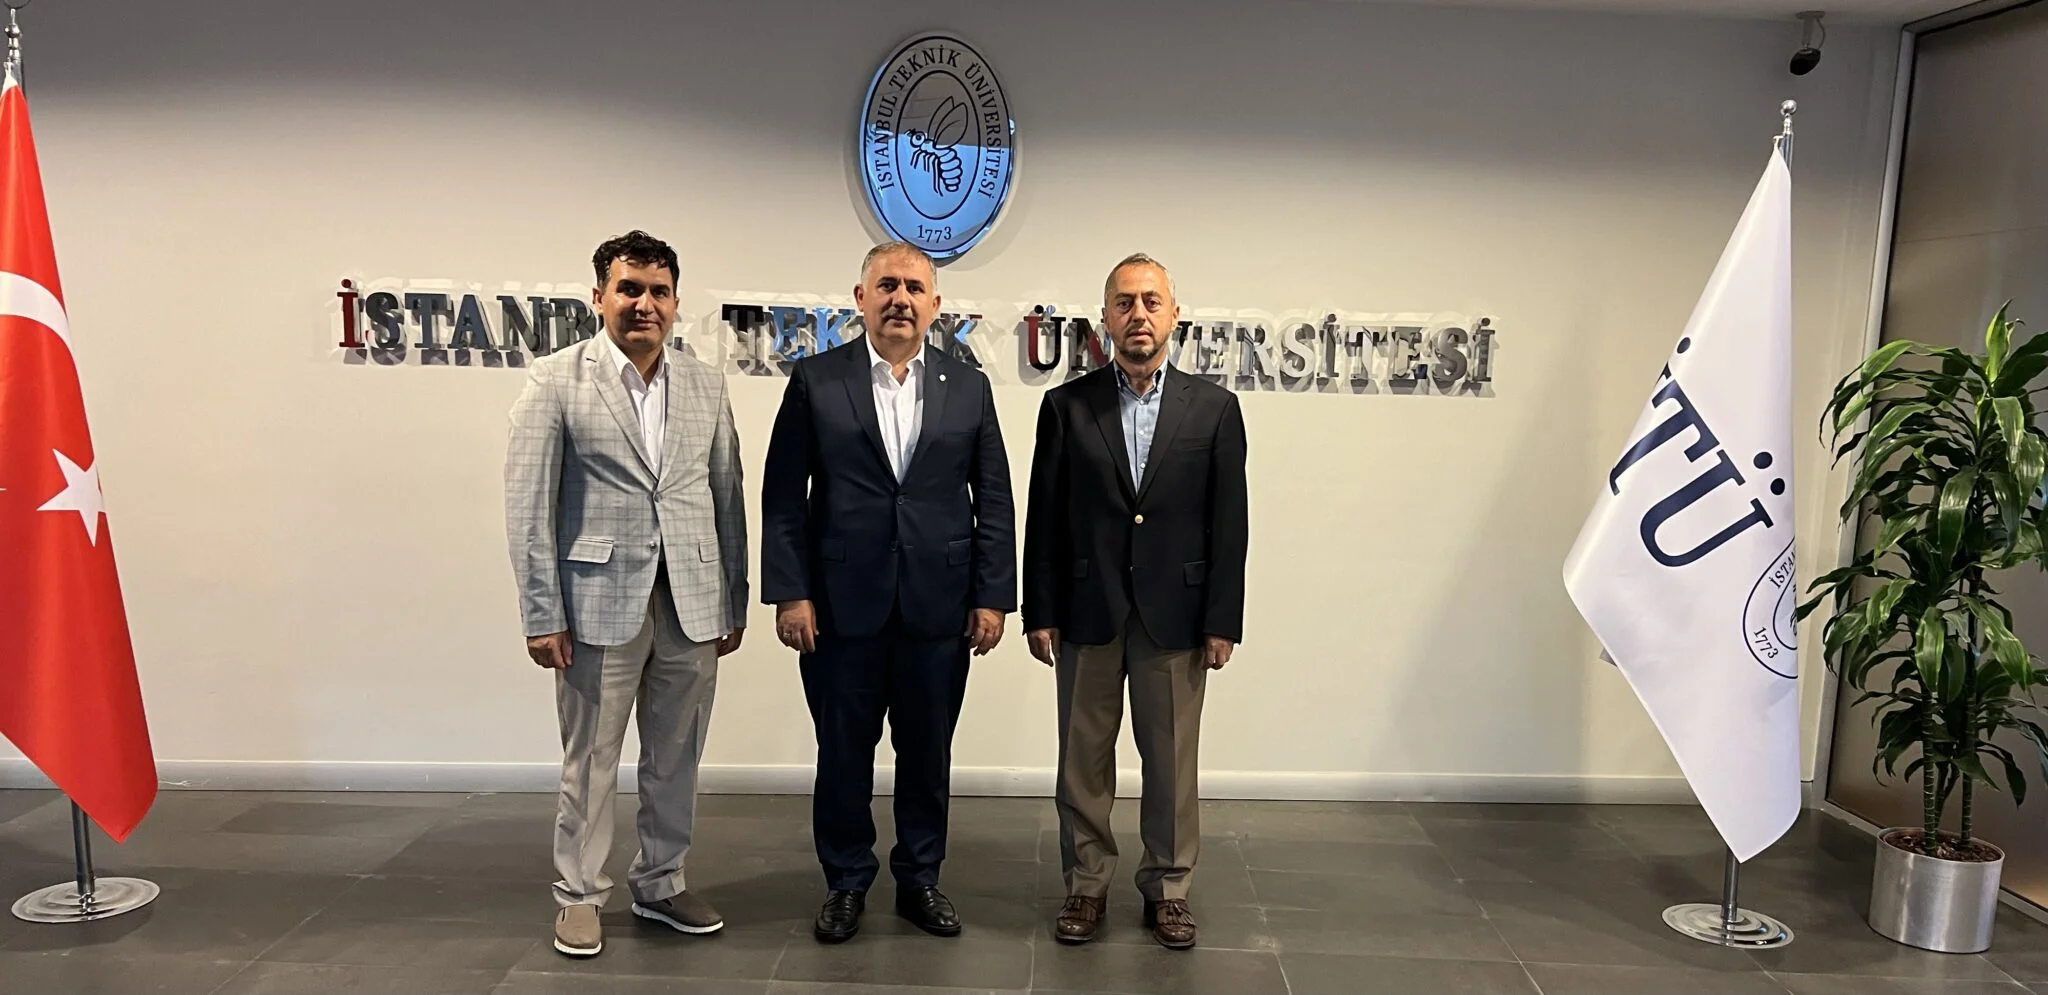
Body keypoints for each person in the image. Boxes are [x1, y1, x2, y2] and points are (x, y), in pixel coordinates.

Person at [760, 241, 1015, 943]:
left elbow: (993, 497)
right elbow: (783, 497)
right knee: (843, 753)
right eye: (887, 286)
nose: (900, 298)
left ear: (935, 305)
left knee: (928, 754)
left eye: (913, 288)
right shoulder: (816, 380)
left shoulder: (969, 387)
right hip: (839, 608)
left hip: (940, 606)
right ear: (861, 297)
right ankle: (846, 880)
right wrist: (791, 592)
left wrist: (992, 596)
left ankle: (920, 877)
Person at [504, 230, 749, 958]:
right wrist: (542, 612)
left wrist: (733, 596)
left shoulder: (705, 383)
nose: (645, 304)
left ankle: (662, 881)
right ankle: (579, 895)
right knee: (591, 761)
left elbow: (727, 493)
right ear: (599, 297)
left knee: (677, 754)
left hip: (691, 600)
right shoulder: (555, 380)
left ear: (675, 302)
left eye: (659, 292)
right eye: (630, 289)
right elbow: (528, 507)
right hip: (595, 606)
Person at [1022, 252, 1249, 950]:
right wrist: (1040, 610)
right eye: (1125, 303)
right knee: (1082, 758)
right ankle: (1086, 884)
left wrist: (1222, 619)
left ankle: (1169, 888)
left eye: (1151, 301)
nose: (1138, 314)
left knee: (1172, 760)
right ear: (1105, 319)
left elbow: (1229, 523)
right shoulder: (1067, 406)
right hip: (1088, 609)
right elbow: (1045, 517)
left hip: (1177, 615)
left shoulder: (1214, 409)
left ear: (1174, 315)